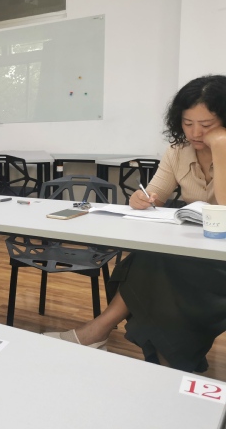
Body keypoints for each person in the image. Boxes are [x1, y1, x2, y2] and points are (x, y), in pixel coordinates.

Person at [45, 75, 226, 373]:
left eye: (206, 125)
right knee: (153, 260)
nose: (195, 133)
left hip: (219, 259)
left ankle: (99, 332)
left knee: (156, 264)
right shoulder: (178, 151)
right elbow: (154, 194)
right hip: (193, 250)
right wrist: (141, 199)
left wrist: (220, 146)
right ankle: (167, 361)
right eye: (187, 123)